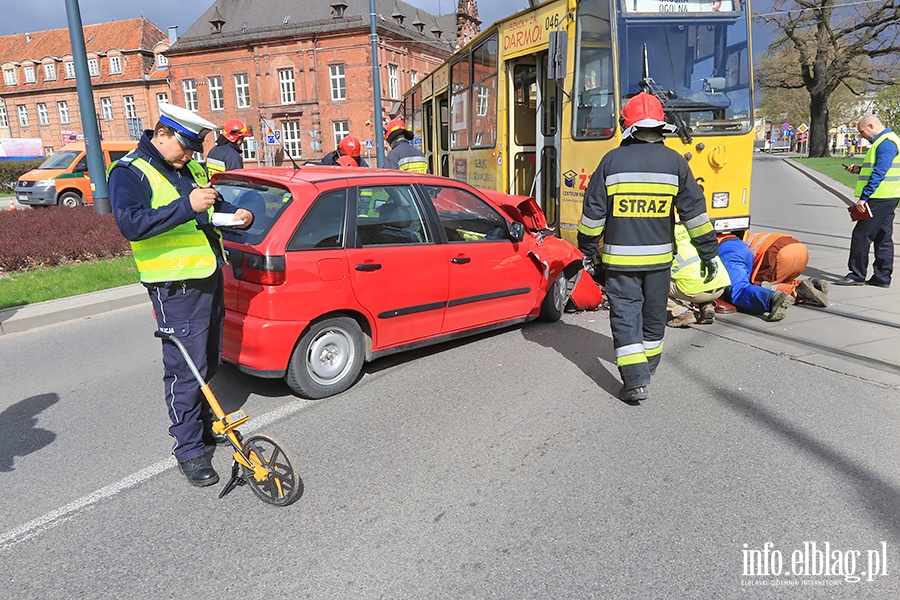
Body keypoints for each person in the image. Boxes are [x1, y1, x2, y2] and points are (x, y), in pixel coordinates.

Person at [108, 104, 254, 487]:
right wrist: (186, 206)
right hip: (174, 286)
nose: (190, 155)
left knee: (207, 363)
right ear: (162, 135)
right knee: (185, 371)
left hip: (208, 274)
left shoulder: (188, 167)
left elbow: (213, 206)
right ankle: (189, 450)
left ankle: (203, 429)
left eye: (193, 148)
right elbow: (131, 224)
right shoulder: (130, 171)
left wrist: (239, 214)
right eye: (185, 147)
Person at [577, 92, 720, 403]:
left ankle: (635, 381)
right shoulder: (675, 163)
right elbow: (695, 214)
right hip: (659, 262)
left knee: (626, 317)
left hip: (620, 263)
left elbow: (592, 215)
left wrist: (586, 252)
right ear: (661, 125)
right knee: (654, 316)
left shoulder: (611, 161)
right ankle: (649, 366)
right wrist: (708, 252)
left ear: (627, 125)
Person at [836, 114, 899, 288]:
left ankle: (857, 275)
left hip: (878, 197)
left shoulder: (885, 143)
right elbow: (879, 168)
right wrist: (859, 170)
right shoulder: (889, 140)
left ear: (871, 126)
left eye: (862, 132)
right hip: (889, 196)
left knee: (861, 235)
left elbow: (880, 172)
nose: (862, 136)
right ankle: (882, 277)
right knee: (883, 237)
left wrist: (863, 198)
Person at [666, 223, 731, 327]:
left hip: (695, 290)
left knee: (650, 285)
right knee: (697, 275)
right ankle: (706, 304)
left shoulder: (660, 236)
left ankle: (682, 313)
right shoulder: (688, 227)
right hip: (720, 286)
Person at [718, 234, 794, 321]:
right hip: (742, 246)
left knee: (738, 289)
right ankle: (755, 299)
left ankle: (771, 298)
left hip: (728, 251)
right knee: (745, 283)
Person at [743, 230, 829, 306]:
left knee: (754, 287)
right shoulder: (750, 236)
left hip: (776, 254)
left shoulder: (735, 248)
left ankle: (797, 291)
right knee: (781, 279)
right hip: (798, 249)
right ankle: (812, 284)